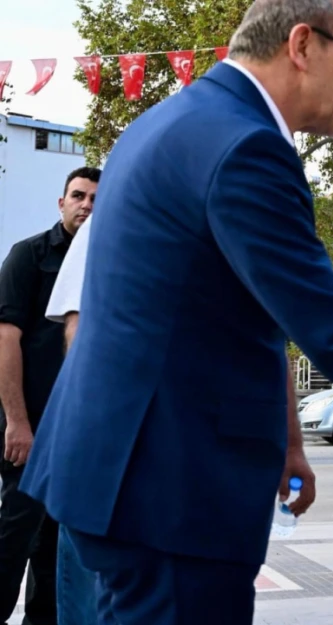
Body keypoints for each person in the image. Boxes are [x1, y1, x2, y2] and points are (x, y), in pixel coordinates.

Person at [19, 1, 333, 623]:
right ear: (302, 45)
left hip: (117, 472)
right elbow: (326, 322)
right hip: (174, 492)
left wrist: (285, 442)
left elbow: (231, 318)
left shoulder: (164, 121)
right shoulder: (247, 147)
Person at [0, 166, 98, 625]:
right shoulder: (29, 256)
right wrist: (18, 423)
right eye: (78, 196)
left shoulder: (109, 263)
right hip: (31, 429)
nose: (87, 205)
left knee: (56, 551)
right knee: (12, 536)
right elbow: (6, 340)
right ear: (62, 203)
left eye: (97, 199)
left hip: (76, 435)